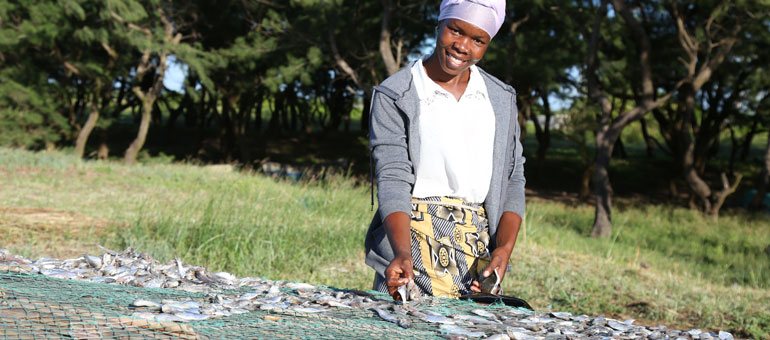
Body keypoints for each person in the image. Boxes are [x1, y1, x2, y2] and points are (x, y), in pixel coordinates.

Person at [364, 0, 526, 299]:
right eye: (456, 30)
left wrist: (503, 249)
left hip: (476, 260)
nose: (463, 46)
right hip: (411, 248)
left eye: (478, 41)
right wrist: (401, 253)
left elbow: (513, 179)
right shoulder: (396, 94)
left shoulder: (500, 99)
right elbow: (393, 177)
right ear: (439, 25)